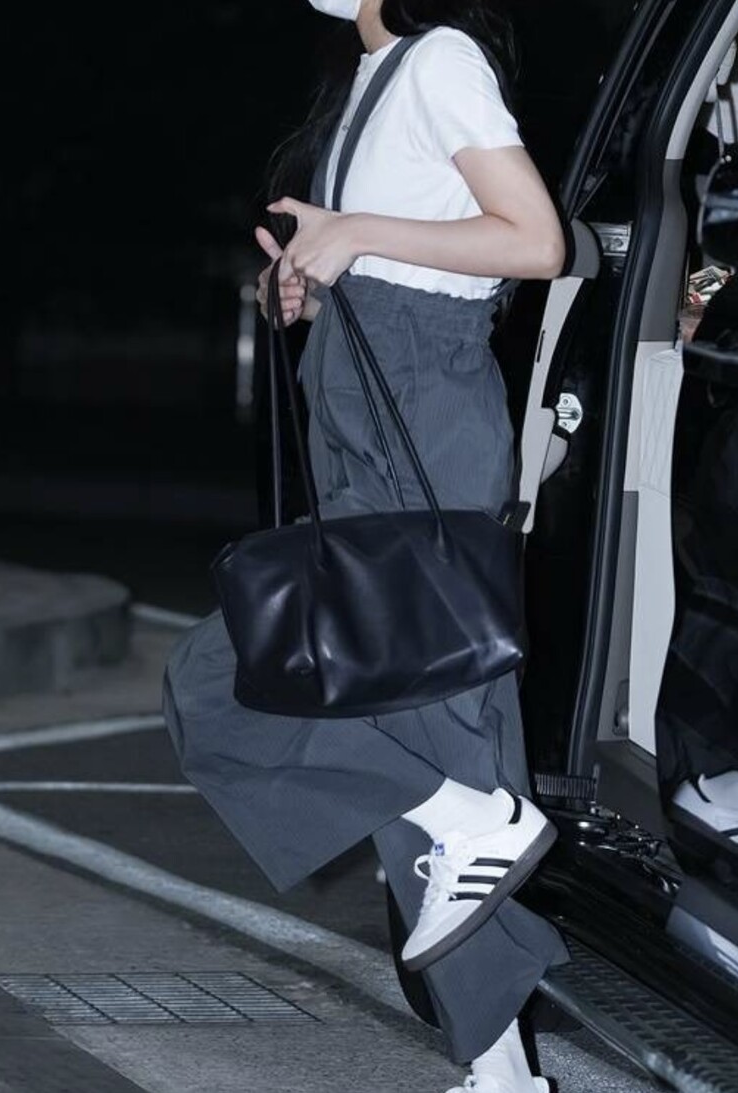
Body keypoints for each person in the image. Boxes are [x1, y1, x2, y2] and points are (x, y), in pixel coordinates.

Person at [163, 1, 568, 1089]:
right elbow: (402, 255)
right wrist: (305, 282)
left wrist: (359, 233)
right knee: (255, 691)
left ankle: (499, 1061)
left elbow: (534, 239)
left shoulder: (441, 58)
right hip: (363, 418)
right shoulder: (370, 78)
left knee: (415, 726)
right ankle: (496, 1035)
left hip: (421, 423)